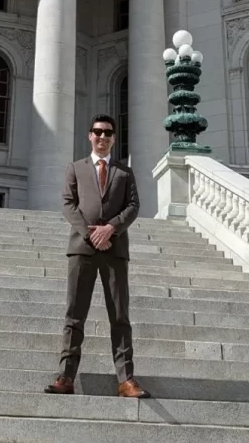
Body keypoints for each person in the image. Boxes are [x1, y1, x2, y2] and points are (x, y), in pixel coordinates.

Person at [45, 114, 150, 398]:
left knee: (120, 316)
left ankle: (126, 379)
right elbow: (68, 204)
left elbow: (133, 205)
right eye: (98, 132)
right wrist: (91, 234)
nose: (102, 137)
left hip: (115, 250)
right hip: (82, 249)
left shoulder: (124, 172)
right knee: (75, 314)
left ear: (114, 138)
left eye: (108, 133)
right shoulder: (75, 168)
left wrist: (111, 228)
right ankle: (66, 376)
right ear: (90, 135)